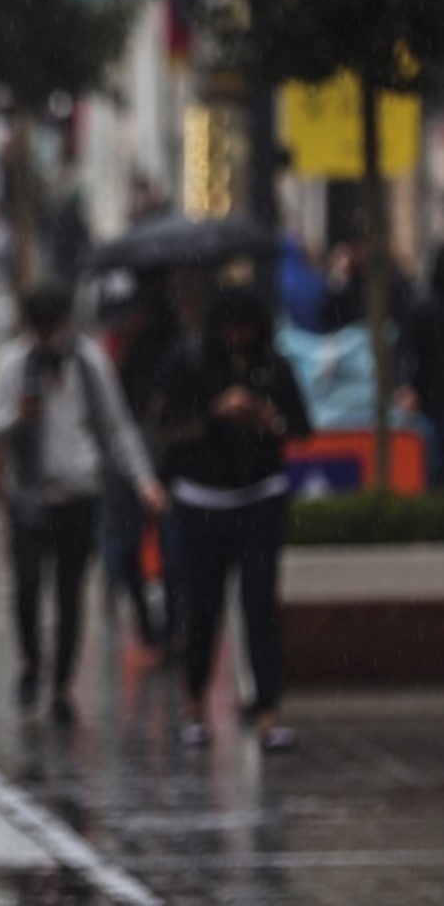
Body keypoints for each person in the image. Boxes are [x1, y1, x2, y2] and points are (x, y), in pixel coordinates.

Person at [0, 288, 167, 724]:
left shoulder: (89, 364)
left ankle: (62, 685)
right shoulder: (14, 364)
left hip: (79, 497)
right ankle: (31, 663)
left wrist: (144, 480)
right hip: (29, 495)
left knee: (70, 594)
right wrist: (17, 416)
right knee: (27, 589)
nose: (48, 339)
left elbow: (116, 424)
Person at [158, 288, 312, 751]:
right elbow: (166, 426)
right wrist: (215, 413)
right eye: (230, 329)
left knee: (260, 605)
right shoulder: (187, 363)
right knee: (203, 607)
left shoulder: (274, 366)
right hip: (202, 499)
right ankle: (194, 706)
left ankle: (268, 710)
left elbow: (302, 426)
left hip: (261, 496)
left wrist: (269, 420)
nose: (237, 338)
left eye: (246, 329)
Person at [102, 272, 184, 656]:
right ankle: (150, 624)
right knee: (130, 547)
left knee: (169, 550)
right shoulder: (126, 335)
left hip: (166, 458)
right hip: (131, 458)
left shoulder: (178, 335)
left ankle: (170, 630)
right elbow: (111, 396)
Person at [396, 250, 444, 487]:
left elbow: (403, 350)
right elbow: (404, 351)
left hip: (429, 397)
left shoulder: (422, 308)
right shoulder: (424, 310)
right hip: (431, 399)